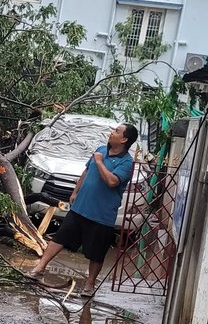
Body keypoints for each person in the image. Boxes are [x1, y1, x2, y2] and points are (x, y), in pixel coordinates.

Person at [30, 122, 138, 296]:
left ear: (124, 139)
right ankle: (40, 268)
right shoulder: (101, 149)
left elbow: (112, 182)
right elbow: (86, 171)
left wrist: (99, 162)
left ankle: (89, 284)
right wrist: (75, 191)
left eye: (116, 131)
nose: (111, 132)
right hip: (80, 207)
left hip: (102, 215)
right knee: (60, 238)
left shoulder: (126, 162)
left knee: (97, 253)